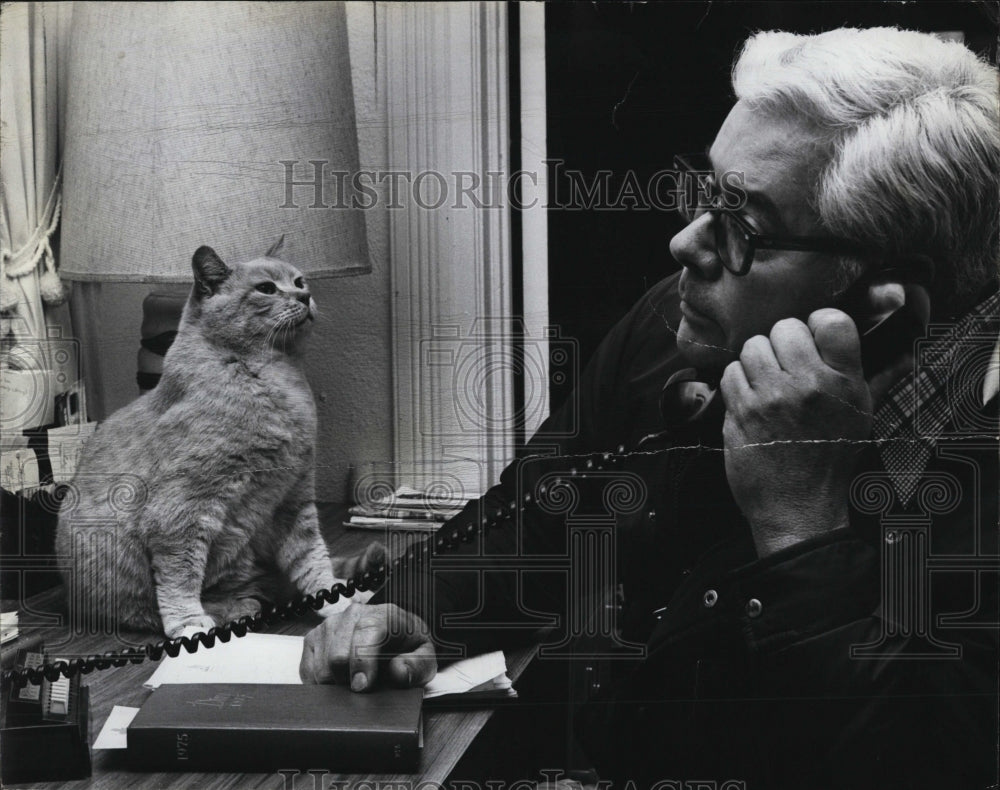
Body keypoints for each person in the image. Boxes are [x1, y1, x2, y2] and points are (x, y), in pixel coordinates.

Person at [302, 27, 999, 788]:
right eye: (705, 195)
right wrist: (413, 606)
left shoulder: (975, 465)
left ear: (878, 306)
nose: (683, 244)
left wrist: (801, 520)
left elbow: (922, 763)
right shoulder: (678, 329)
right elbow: (538, 518)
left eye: (742, 228)